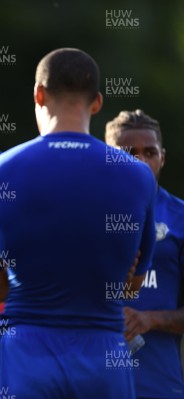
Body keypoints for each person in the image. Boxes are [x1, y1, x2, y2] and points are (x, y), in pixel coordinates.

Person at [0, 48, 156, 398]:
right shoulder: (138, 177)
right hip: (104, 355)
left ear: (39, 94)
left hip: (26, 355)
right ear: (97, 102)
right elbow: (132, 287)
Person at [105, 109, 184, 399]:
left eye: (149, 153)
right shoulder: (85, 216)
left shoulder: (180, 219)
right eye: (128, 152)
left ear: (162, 157)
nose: (140, 161)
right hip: (92, 380)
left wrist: (150, 319)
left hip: (158, 386)